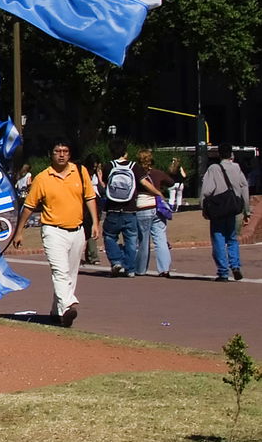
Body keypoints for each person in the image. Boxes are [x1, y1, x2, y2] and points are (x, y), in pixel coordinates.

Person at [12, 141, 97, 328]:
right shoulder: (43, 178)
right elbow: (28, 207)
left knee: (71, 274)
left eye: (65, 151)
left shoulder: (80, 172)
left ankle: (57, 312)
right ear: (51, 154)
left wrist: (95, 223)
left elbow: (90, 198)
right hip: (53, 230)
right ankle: (67, 306)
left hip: (77, 229)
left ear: (70, 154)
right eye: (57, 151)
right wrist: (19, 231)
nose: (61, 155)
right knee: (60, 271)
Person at [98, 140, 151, 278]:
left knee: (109, 236)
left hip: (113, 209)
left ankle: (116, 261)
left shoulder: (108, 166)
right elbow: (144, 183)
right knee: (131, 240)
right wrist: (158, 193)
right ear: (125, 152)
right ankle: (130, 269)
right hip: (130, 209)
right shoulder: (134, 166)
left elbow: (104, 184)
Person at [199, 144, 251, 281]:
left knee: (218, 239)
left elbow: (207, 190)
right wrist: (247, 210)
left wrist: (203, 207)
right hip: (233, 208)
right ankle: (235, 265)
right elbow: (244, 187)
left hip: (218, 208)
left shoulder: (214, 168)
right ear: (231, 154)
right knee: (232, 238)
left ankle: (223, 272)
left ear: (219, 155)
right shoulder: (236, 168)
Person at [134, 149, 177, 277]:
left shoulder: (136, 174)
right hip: (158, 208)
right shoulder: (158, 173)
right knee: (161, 239)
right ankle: (164, 269)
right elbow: (171, 182)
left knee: (143, 240)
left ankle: (141, 269)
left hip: (142, 207)